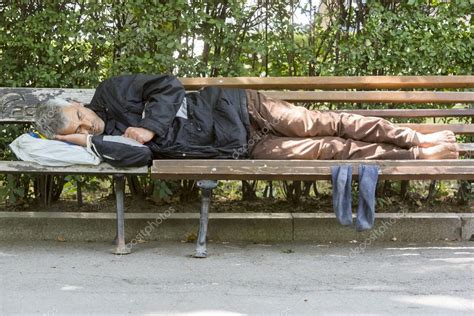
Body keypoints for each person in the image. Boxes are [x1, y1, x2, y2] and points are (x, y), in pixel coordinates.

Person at [34, 74, 458, 167]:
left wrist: (152, 125)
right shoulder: (105, 142)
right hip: (238, 147)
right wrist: (86, 144)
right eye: (79, 130)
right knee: (327, 149)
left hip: (240, 109)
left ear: (77, 102)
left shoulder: (111, 91)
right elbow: (138, 159)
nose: (88, 124)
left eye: (80, 117)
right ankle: (422, 151)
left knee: (328, 122)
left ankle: (411, 137)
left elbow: (167, 85)